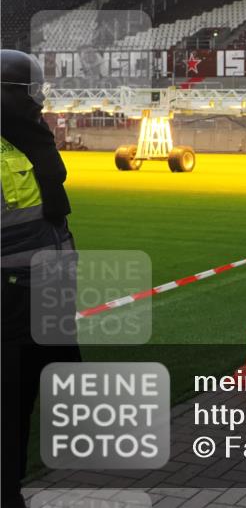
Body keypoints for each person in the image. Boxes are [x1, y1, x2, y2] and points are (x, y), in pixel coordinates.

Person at [1, 49, 81, 508]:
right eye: (30, 94)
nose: (40, 104)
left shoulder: (29, 143)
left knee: (54, 397)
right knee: (9, 409)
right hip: (8, 307)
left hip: (48, 299)